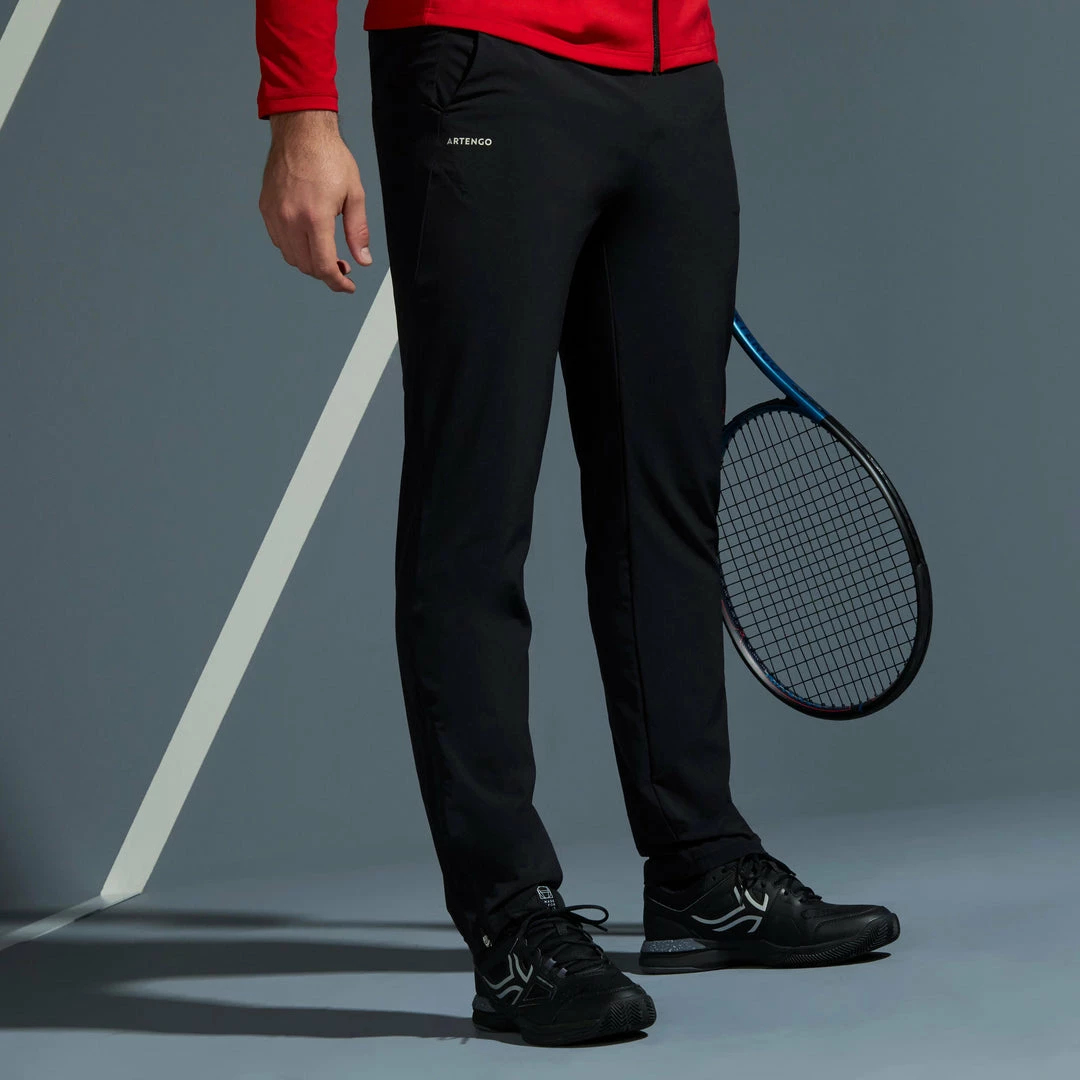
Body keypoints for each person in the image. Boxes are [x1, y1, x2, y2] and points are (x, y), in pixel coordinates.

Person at [255, 0, 900, 1047]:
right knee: (474, 510)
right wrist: (301, 107)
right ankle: (510, 919)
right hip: (483, 63)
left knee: (668, 498)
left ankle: (700, 867)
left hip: (674, 75)